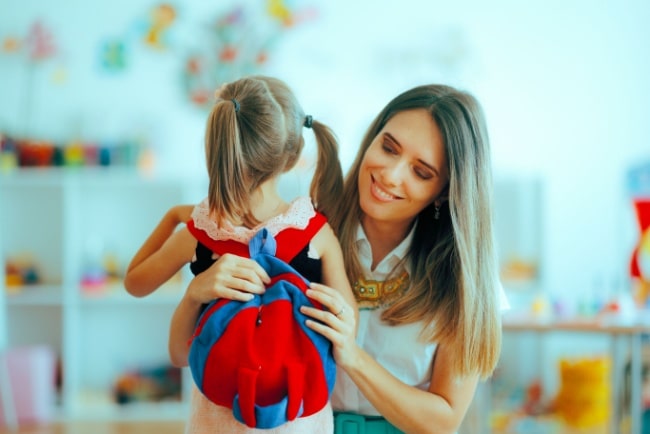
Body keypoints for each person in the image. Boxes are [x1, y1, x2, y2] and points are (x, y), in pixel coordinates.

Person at [178, 83, 507, 434]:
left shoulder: (465, 280)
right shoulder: (307, 236)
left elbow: (443, 420)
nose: (390, 175)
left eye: (421, 172)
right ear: (372, 138)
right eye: (388, 147)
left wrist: (352, 356)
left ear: (446, 190)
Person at [123, 75, 357, 434]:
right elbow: (347, 328)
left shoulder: (200, 236)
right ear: (293, 154)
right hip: (299, 418)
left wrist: (174, 222)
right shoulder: (317, 235)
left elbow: (139, 291)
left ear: (220, 143)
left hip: (215, 422)